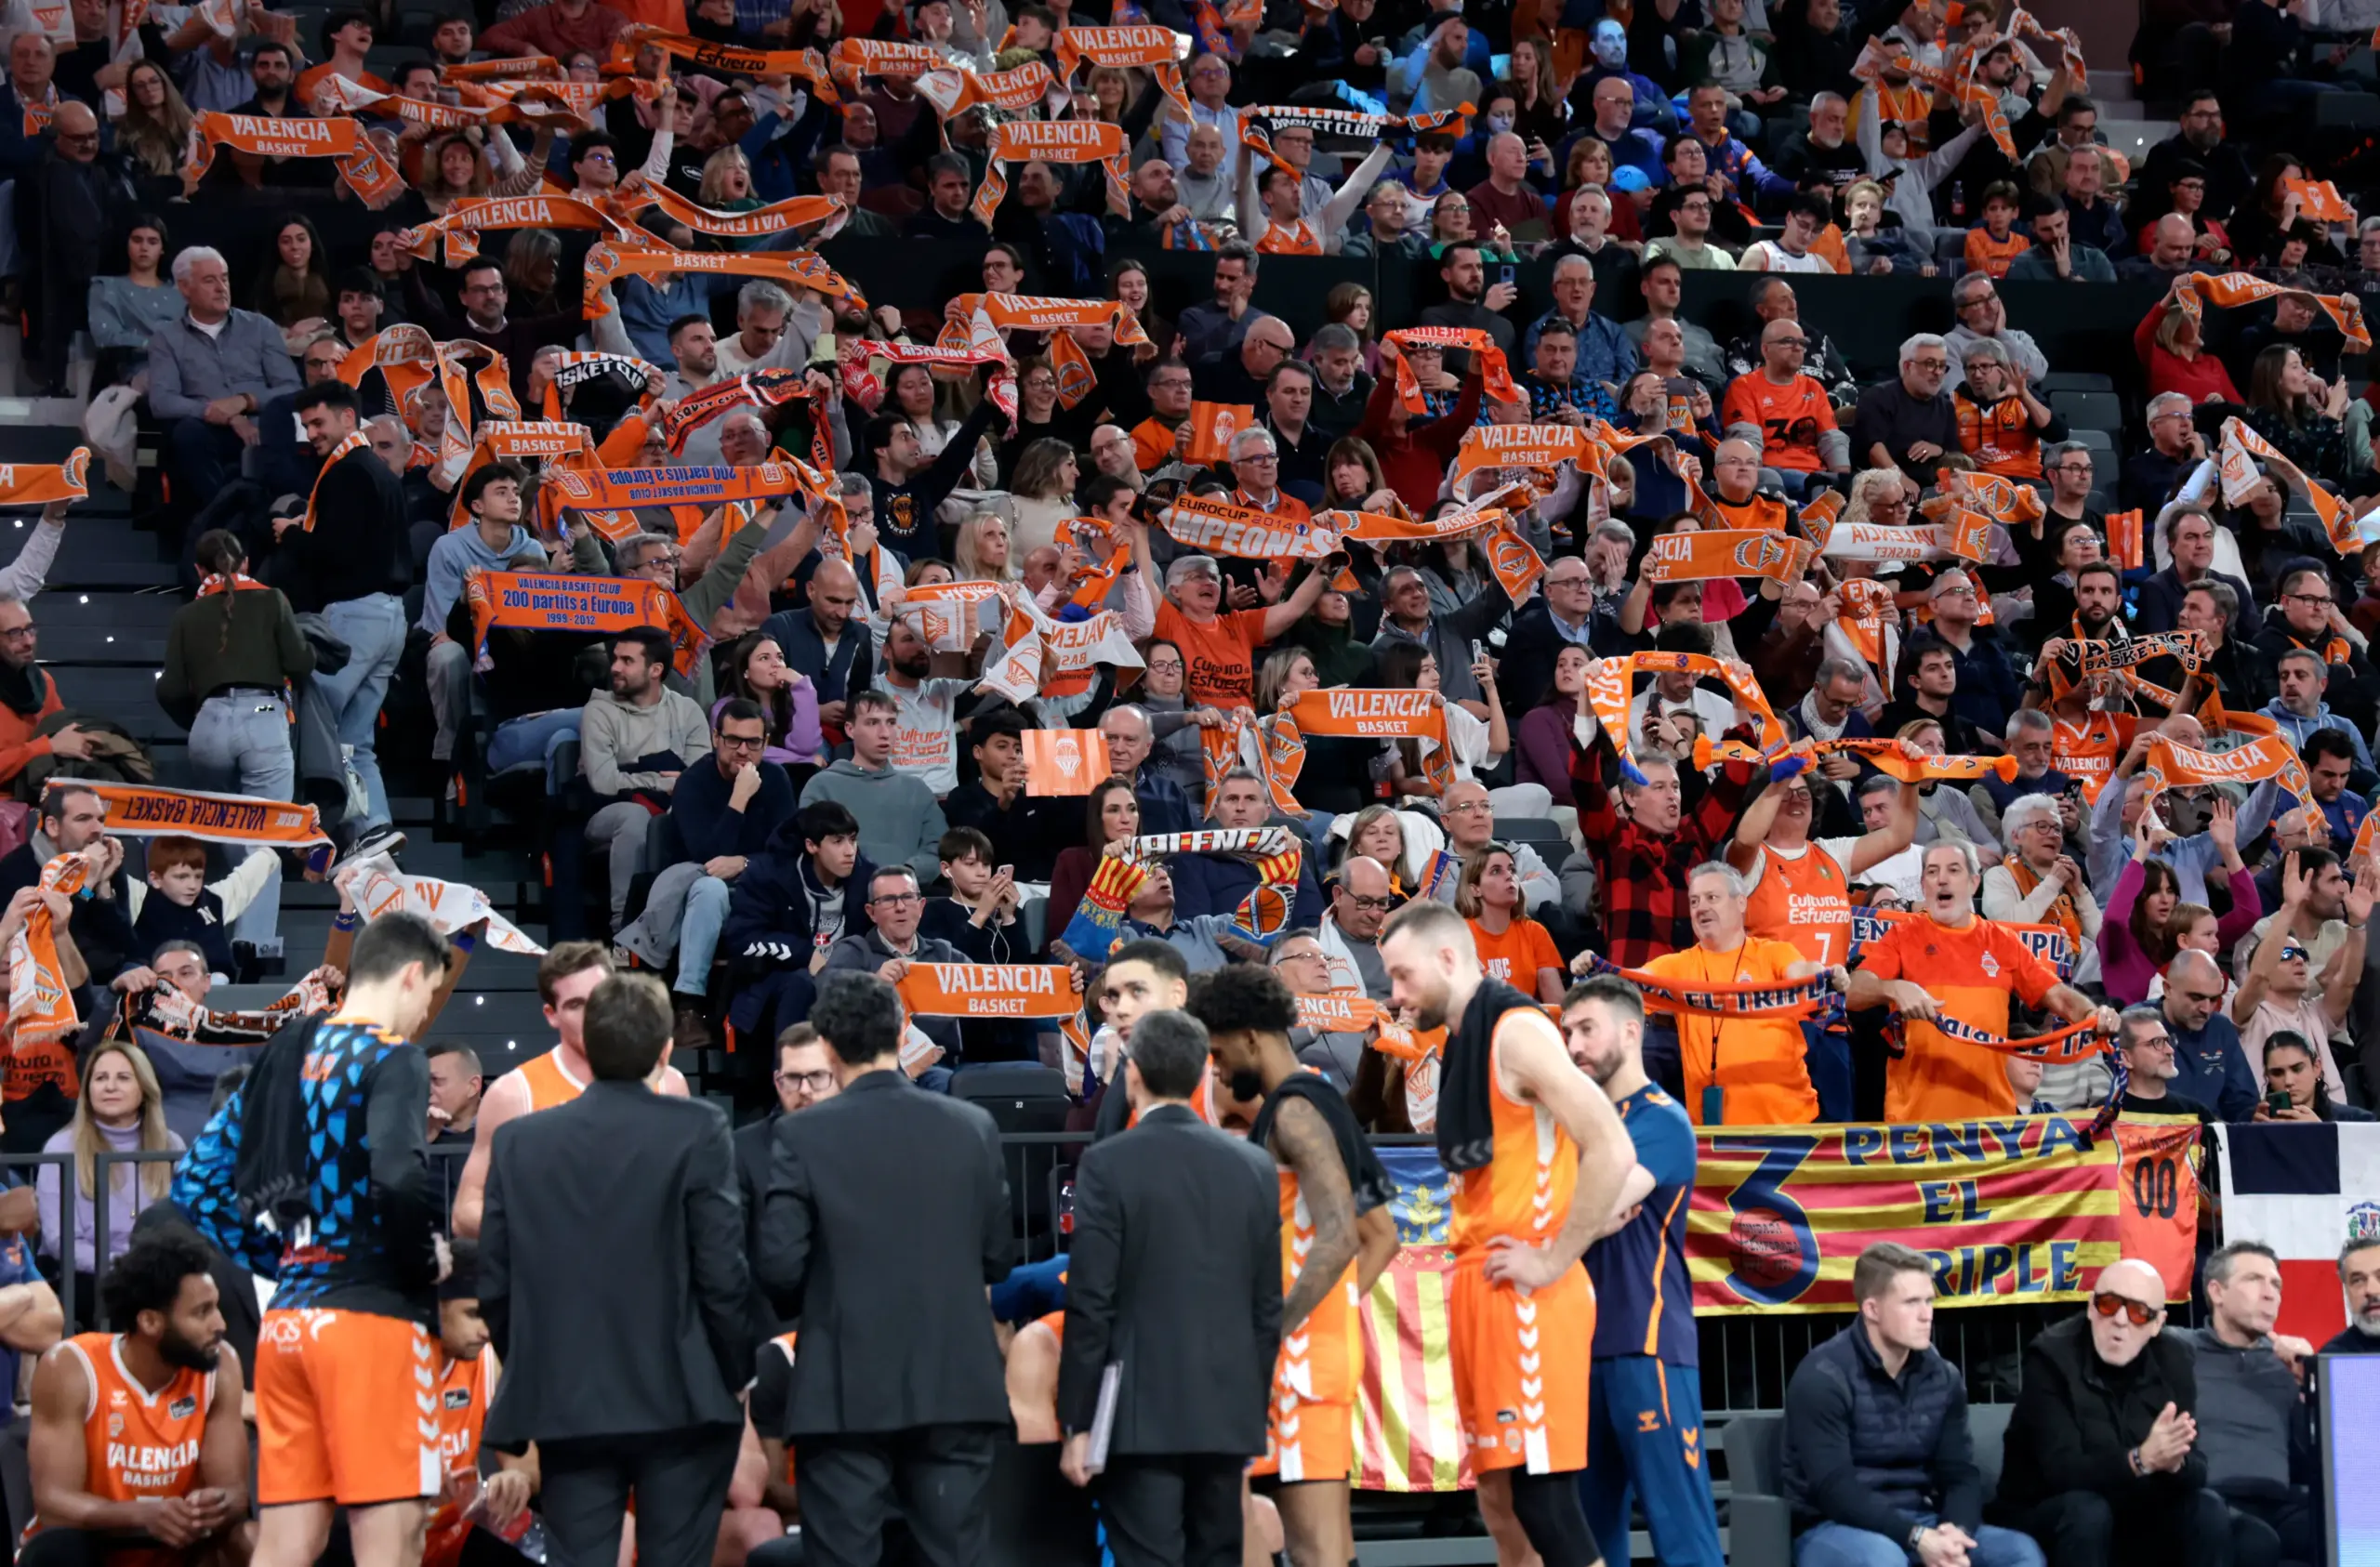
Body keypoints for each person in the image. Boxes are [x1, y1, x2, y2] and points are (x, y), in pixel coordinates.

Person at [170, 912, 455, 1567]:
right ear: (411, 975)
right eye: (431, 993)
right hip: (371, 1322)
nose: (424, 1012)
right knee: (394, 1538)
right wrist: (421, 1260)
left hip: (290, 1322)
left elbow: (196, 1184)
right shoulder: (393, 1055)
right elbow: (398, 1176)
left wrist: (288, 1254)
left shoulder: (285, 1051)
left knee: (285, 1546)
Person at [1377, 900, 1633, 1567]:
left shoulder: (1516, 1030)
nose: (1396, 995)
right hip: (1482, 1284)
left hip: (1527, 1293)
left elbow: (1611, 1143)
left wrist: (1553, 1258)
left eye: (1403, 977)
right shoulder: (1465, 1039)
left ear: (1446, 958)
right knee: (1499, 1501)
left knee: (1543, 1500)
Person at [478, 972, 755, 1567]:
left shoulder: (521, 1143)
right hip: (684, 1397)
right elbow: (722, 1270)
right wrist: (738, 1373)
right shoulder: (699, 1129)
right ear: (665, 1050)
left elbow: (495, 1284)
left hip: (568, 1401)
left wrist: (534, 1366)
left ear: (587, 1046)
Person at [756, 970, 1013, 1567]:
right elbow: (998, 1257)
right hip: (956, 1383)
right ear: (901, 1032)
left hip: (843, 1390)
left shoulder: (801, 1134)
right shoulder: (973, 1126)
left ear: (825, 1042)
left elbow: (780, 1270)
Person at [1056, 1007, 1283, 1567]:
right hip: (1228, 1413)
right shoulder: (1254, 1165)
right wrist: (1253, 1406)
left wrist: (1079, 1423)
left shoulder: (1107, 1163)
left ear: (1132, 1074)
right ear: (1204, 1073)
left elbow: (1091, 1302)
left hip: (1139, 1416)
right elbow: (1266, 1306)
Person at [1564, 977, 1726, 1567]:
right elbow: (1575, 1212)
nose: (1574, 1046)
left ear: (1631, 1032)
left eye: (1587, 1029)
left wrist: (1574, 1207)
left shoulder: (1661, 1119)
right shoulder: (1578, 1126)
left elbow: (1596, 1208)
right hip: (1578, 1349)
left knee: (1683, 1537)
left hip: (1647, 1343)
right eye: (1567, 1033)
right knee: (1586, 1540)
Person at [1782, 1242, 2044, 1567]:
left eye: (1929, 1301)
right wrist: (1915, 1536)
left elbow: (1960, 1473)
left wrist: (1954, 1532)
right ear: (1872, 1310)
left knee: (2020, 1552)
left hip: (1921, 1521)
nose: (1926, 1315)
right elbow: (1835, 1490)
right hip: (1832, 1527)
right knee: (1883, 1559)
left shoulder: (1942, 1377)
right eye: (1911, 1303)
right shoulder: (1823, 1377)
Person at [21, 1231, 249, 1567]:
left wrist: (211, 1505)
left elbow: (236, 1494)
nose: (220, 1324)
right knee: (57, 1551)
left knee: (250, 1538)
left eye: (216, 1307)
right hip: (96, 1547)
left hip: (180, 1547)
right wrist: (141, 1515)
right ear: (150, 1321)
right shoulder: (72, 1368)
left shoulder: (221, 1365)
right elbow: (53, 1503)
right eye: (202, 1313)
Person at [1849, 841, 2121, 1120]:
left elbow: (2059, 996)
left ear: (1974, 882)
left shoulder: (2003, 942)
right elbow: (1854, 992)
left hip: (1991, 1122)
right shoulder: (1901, 937)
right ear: (1923, 886)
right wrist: (1892, 988)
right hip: (1917, 1121)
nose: (1941, 879)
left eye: (1953, 870)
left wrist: (2093, 1013)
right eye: (1932, 872)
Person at [1992, 1258, 2232, 1567]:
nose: (2120, 1320)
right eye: (2109, 1304)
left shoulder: (2174, 1359)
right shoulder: (2051, 1357)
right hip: (2047, 1512)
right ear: (2091, 1307)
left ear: (2157, 1324)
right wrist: (2141, 1461)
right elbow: (2060, 1472)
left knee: (2209, 1509)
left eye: (2138, 1312)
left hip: (2133, 1512)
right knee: (2087, 1511)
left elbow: (2197, 1468)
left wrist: (2174, 1463)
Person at [453, 943, 692, 1240]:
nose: (593, 1015)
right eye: (576, 1005)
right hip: (553, 1276)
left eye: (600, 999)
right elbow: (465, 1210)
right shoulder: (514, 1093)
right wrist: (543, 1226)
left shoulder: (668, 1082)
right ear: (551, 1014)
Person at [612, 700, 795, 1047]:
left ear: (765, 743)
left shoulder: (776, 780)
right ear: (716, 738)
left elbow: (787, 852)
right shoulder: (693, 782)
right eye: (733, 740)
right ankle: (689, 1008)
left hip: (759, 886)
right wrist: (738, 799)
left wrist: (745, 863)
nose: (743, 750)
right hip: (696, 889)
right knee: (711, 889)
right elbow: (707, 855)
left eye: (753, 742)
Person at [1639, 863, 1829, 1126]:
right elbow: (1627, 985)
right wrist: (1591, 969)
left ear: (1740, 903)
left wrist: (1821, 973)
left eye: (1712, 898)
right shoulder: (1676, 966)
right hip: (1714, 1136)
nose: (1701, 907)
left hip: (1788, 1130)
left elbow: (1802, 973)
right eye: (1694, 901)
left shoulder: (1774, 953)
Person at [2175, 1242, 2319, 1567]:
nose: (2270, 1294)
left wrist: (2312, 1386)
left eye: (2276, 1285)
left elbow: (2324, 1459)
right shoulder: (2178, 1349)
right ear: (2217, 1292)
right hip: (2208, 1501)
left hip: (2280, 1504)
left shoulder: (2291, 1364)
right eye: (2254, 1280)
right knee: (2248, 1540)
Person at [35, 1041, 182, 1319]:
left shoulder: (170, 1144)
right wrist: (122, 1265)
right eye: (100, 1078)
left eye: (123, 1078)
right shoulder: (61, 1147)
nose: (110, 1087)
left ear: (144, 1088)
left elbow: (184, 1226)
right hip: (84, 1274)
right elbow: (60, 1240)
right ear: (88, 1090)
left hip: (154, 1271)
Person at [800, 691, 948, 889]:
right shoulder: (821, 786)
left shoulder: (917, 790)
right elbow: (812, 848)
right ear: (850, 729)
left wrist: (904, 875)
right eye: (872, 723)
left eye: (891, 722)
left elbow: (939, 848)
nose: (884, 733)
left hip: (907, 898)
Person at [2160, 949, 2261, 1123]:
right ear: (2168, 989)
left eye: (2214, 999)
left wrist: (2256, 1116)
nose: (2206, 1009)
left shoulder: (2220, 1028)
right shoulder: (2138, 1026)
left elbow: (2241, 1103)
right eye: (2196, 997)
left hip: (2218, 1142)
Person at [423, 1044, 482, 1149]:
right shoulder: (410, 1135)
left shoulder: (507, 1135)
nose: (426, 1090)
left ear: (472, 1086)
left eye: (436, 1080)